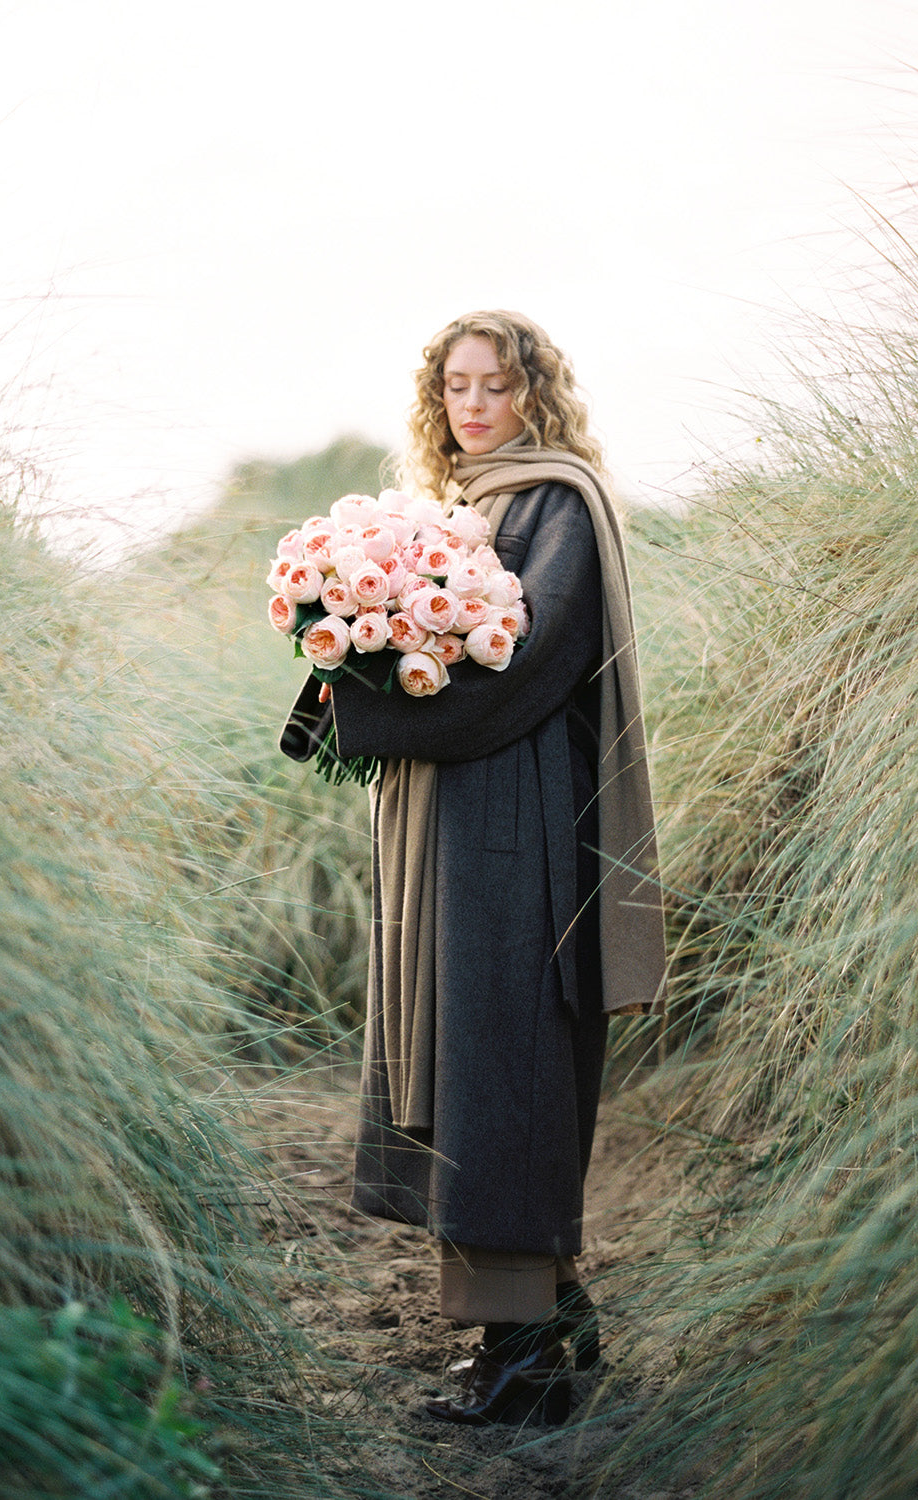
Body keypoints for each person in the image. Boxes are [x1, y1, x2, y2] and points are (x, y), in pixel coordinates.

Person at [281, 310, 666, 1426]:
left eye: (497, 385)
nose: (475, 404)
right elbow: (429, 651)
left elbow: (527, 664)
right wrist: (343, 643)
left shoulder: (559, 505)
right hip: (453, 822)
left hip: (518, 827)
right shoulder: (466, 509)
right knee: (471, 1052)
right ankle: (552, 1322)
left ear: (535, 394)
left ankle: (525, 1364)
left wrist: (378, 702)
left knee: (505, 1059)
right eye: (457, 386)